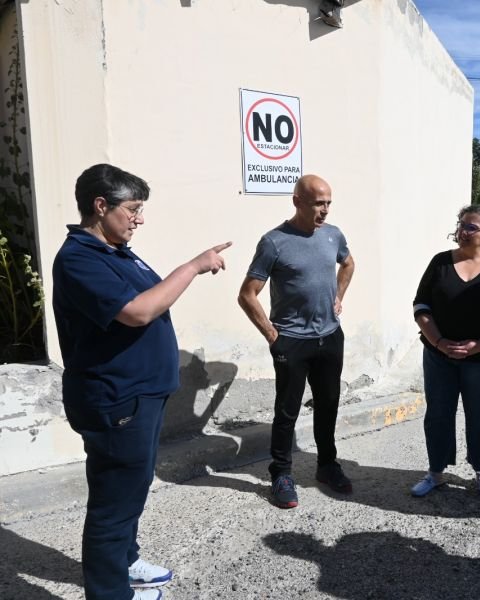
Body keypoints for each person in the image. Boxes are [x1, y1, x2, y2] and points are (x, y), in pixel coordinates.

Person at [52, 164, 230, 600]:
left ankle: (126, 562)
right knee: (112, 506)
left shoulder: (117, 250)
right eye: (132, 209)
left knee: (130, 490)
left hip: (140, 397)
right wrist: (192, 266)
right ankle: (111, 593)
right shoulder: (78, 258)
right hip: (114, 400)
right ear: (101, 206)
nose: (139, 219)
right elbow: (138, 311)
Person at [238, 174, 355, 509]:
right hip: (292, 340)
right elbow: (247, 295)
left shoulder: (333, 235)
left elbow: (348, 263)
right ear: (298, 202)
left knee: (328, 404)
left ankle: (327, 465)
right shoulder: (274, 242)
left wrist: (339, 296)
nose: (325, 210)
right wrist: (273, 335)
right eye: (319, 203)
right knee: (287, 410)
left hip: (330, 336)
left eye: (329, 203)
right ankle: (281, 473)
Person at [410, 205, 480, 499]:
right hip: (439, 357)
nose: (463, 230)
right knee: (438, 414)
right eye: (461, 224)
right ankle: (435, 472)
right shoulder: (440, 263)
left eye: (471, 227)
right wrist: (439, 342)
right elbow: (421, 307)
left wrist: (477, 347)